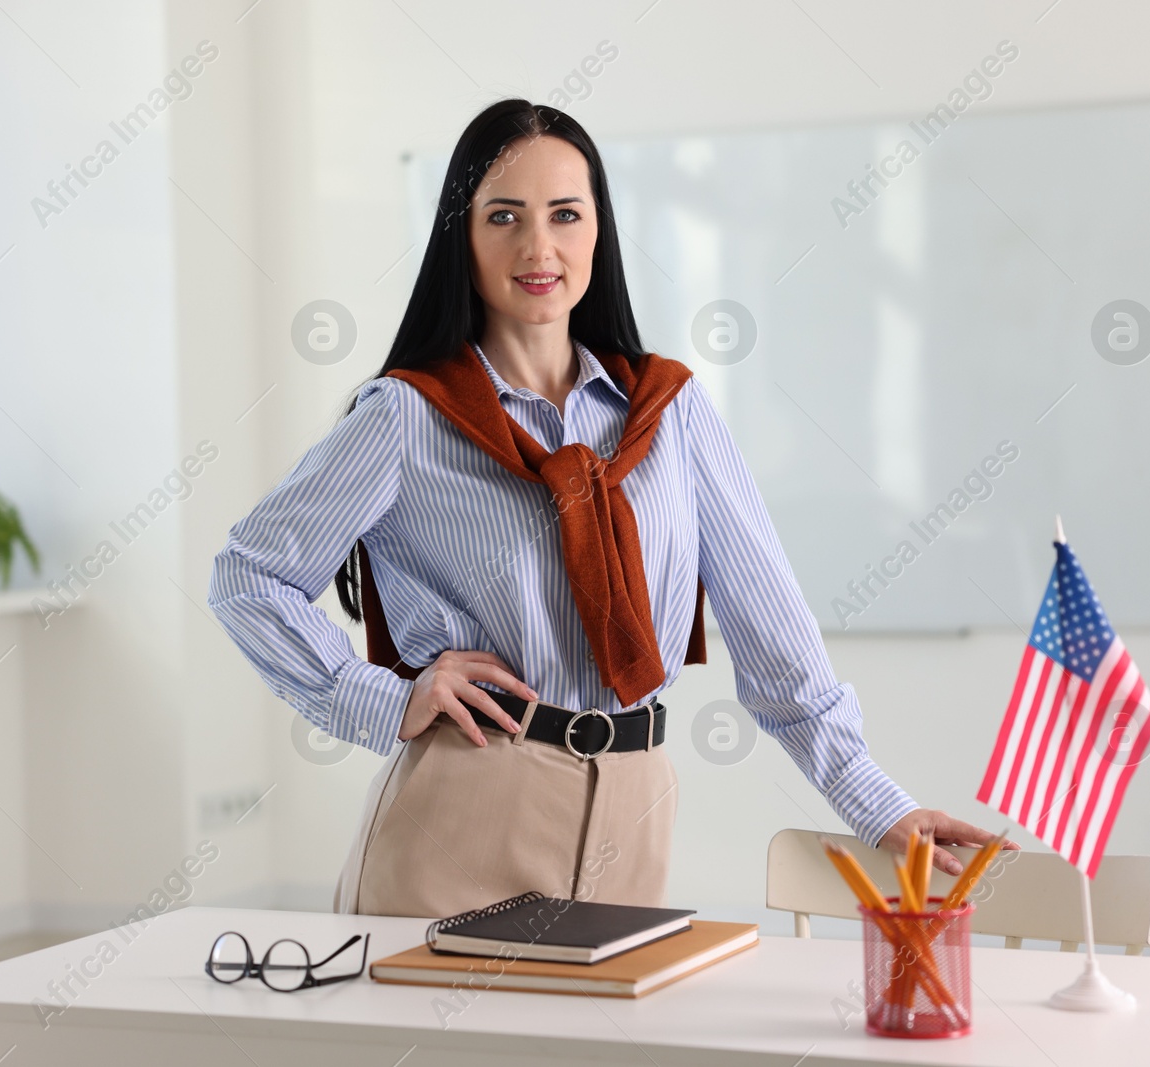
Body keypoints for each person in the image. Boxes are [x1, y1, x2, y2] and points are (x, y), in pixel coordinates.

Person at [209, 98, 1006, 919]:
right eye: (503, 216)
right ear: (464, 236)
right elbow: (247, 574)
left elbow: (776, 639)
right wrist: (382, 698)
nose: (537, 246)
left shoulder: (669, 413)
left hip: (634, 810)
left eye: (564, 214)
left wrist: (879, 804)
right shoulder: (408, 416)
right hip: (463, 812)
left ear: (599, 230)